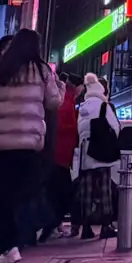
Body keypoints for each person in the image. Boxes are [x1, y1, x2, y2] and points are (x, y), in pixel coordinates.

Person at [0, 30, 62, 263]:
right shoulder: (41, 70)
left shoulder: (1, 70)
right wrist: (60, 88)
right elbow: (53, 102)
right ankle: (12, 245)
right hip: (27, 142)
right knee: (19, 195)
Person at [73, 73, 121, 240]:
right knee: (104, 190)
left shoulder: (82, 107)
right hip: (101, 153)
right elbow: (115, 127)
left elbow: (78, 130)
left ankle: (86, 227)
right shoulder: (103, 107)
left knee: (86, 191)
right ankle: (105, 226)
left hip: (85, 153)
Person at [54, 67, 83, 237]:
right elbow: (60, 125)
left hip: (63, 155)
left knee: (61, 191)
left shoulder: (69, 100)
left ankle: (53, 224)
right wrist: (76, 127)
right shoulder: (66, 100)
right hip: (60, 154)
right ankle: (51, 223)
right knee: (62, 191)